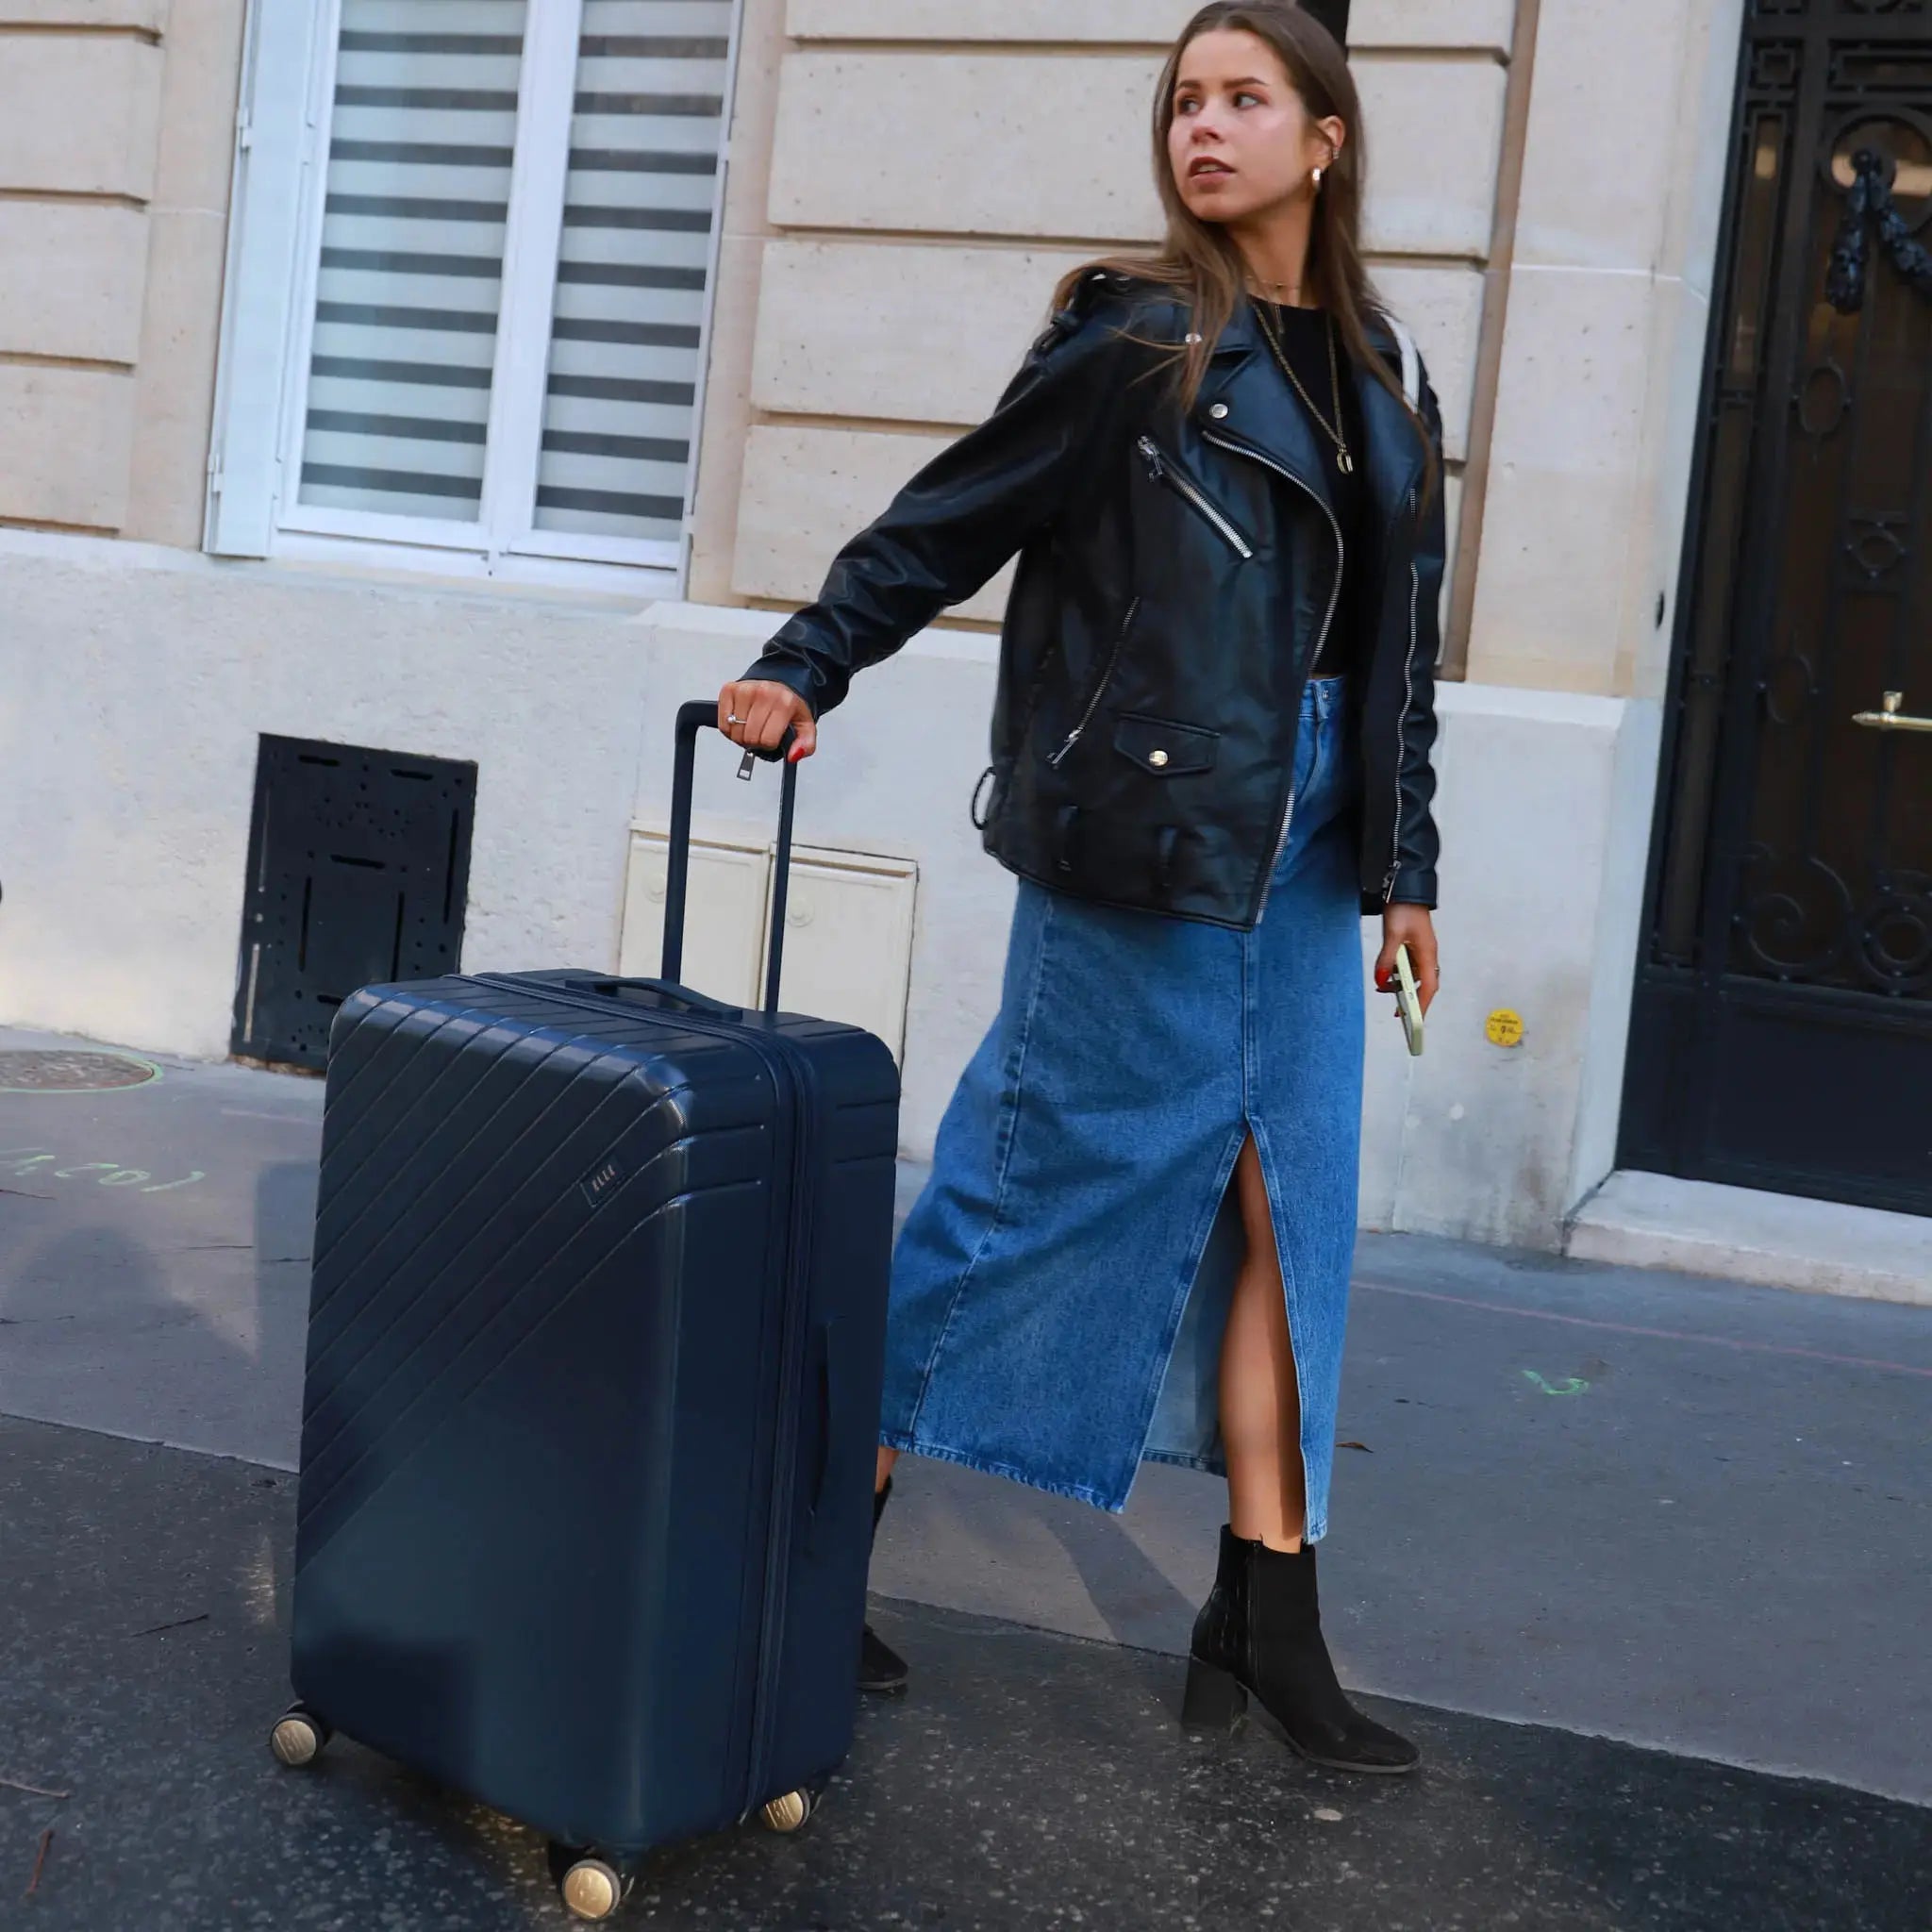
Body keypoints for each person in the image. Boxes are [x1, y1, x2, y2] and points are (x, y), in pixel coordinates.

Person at [718, 0, 1442, 1776]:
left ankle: (1267, 1619)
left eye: (1244, 98)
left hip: (1308, 852)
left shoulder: (1383, 364)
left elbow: (1402, 645)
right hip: (1153, 842)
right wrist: (809, 660)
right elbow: (947, 518)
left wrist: (1409, 865)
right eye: (1185, 100)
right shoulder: (1139, 341)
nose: (1204, 128)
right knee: (1012, 1198)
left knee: (1296, 1217)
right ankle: (804, 1560)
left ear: (1322, 137)